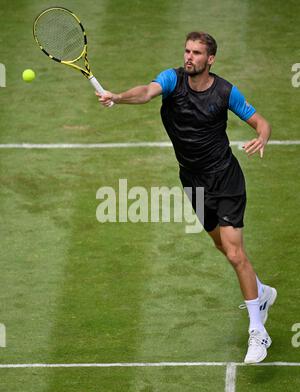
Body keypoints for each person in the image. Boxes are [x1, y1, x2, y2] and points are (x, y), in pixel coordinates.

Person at [97, 31, 277, 364]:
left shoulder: (225, 92)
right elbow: (147, 92)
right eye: (186, 51)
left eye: (196, 53)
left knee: (236, 253)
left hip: (225, 179)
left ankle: (257, 331)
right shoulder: (172, 80)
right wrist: (118, 97)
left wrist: (262, 137)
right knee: (221, 246)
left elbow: (260, 121)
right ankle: (261, 292)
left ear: (210, 59)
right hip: (191, 179)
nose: (189, 57)